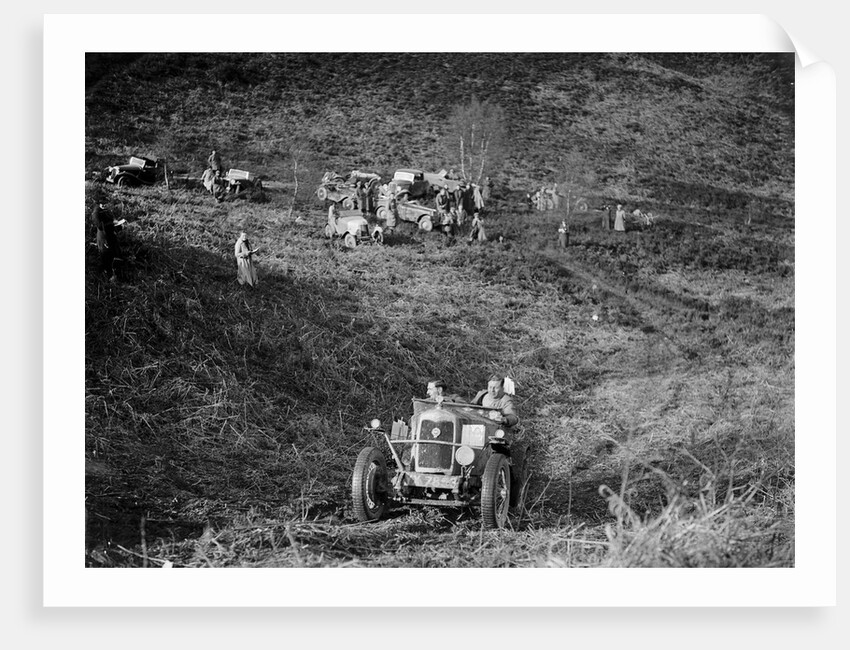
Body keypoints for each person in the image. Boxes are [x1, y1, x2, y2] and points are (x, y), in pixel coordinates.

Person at [92, 202, 122, 281]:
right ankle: (105, 277)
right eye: (103, 203)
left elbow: (113, 220)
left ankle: (115, 275)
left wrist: (117, 224)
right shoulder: (96, 213)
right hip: (103, 237)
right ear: (99, 204)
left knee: (115, 253)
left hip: (111, 236)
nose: (105, 205)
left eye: (106, 203)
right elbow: (100, 226)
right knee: (105, 256)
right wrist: (111, 224)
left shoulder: (108, 211)